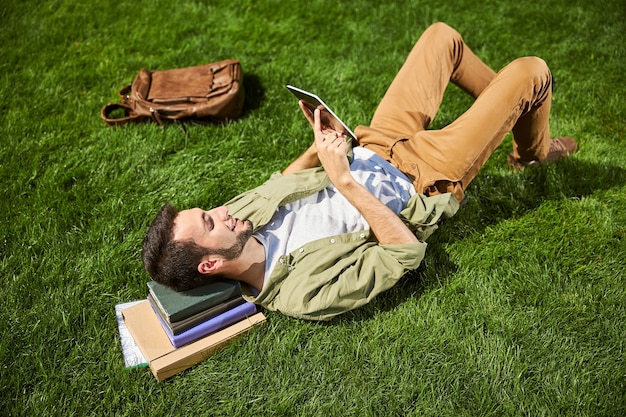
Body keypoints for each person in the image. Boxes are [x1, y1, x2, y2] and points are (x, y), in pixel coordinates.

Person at [141, 23, 577, 321]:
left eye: (209, 210)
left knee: (442, 39)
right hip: (421, 178)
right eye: (210, 222)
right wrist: (343, 181)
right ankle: (530, 153)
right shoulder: (300, 294)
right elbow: (404, 253)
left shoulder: (239, 221)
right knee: (531, 72)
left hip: (373, 143)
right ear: (210, 263)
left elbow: (279, 181)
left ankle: (512, 108)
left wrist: (316, 150)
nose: (222, 210)